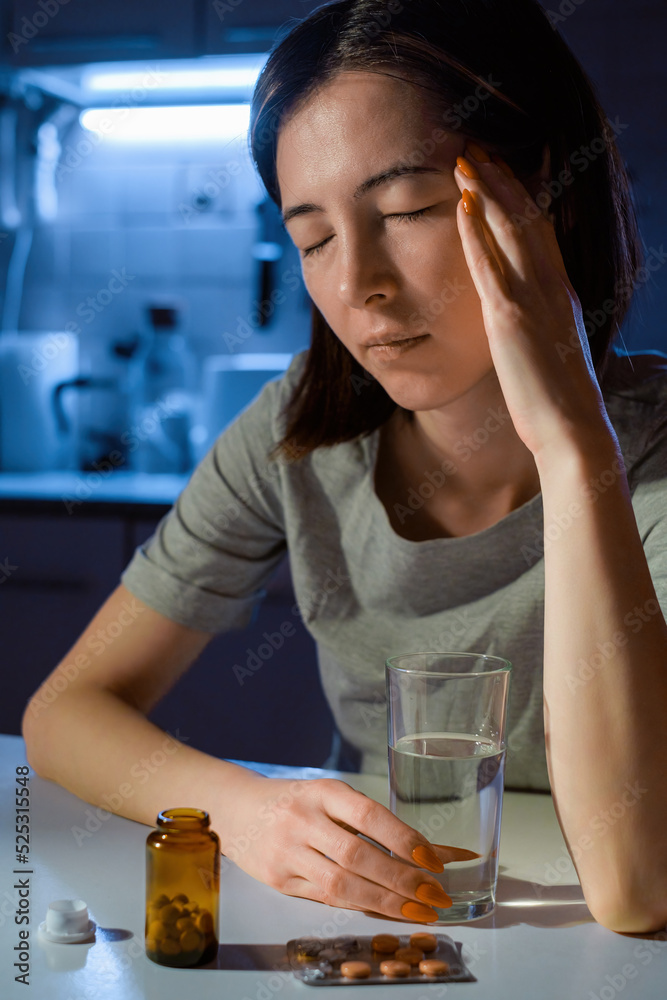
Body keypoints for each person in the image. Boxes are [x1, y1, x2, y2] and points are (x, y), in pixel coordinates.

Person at [23, 0, 667, 933]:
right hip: (394, 934)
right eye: (314, 239)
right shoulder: (297, 428)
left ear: (542, 198)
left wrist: (571, 445)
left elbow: (634, 887)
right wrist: (243, 812)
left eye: (405, 209)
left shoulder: (650, 450)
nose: (359, 282)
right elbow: (62, 714)